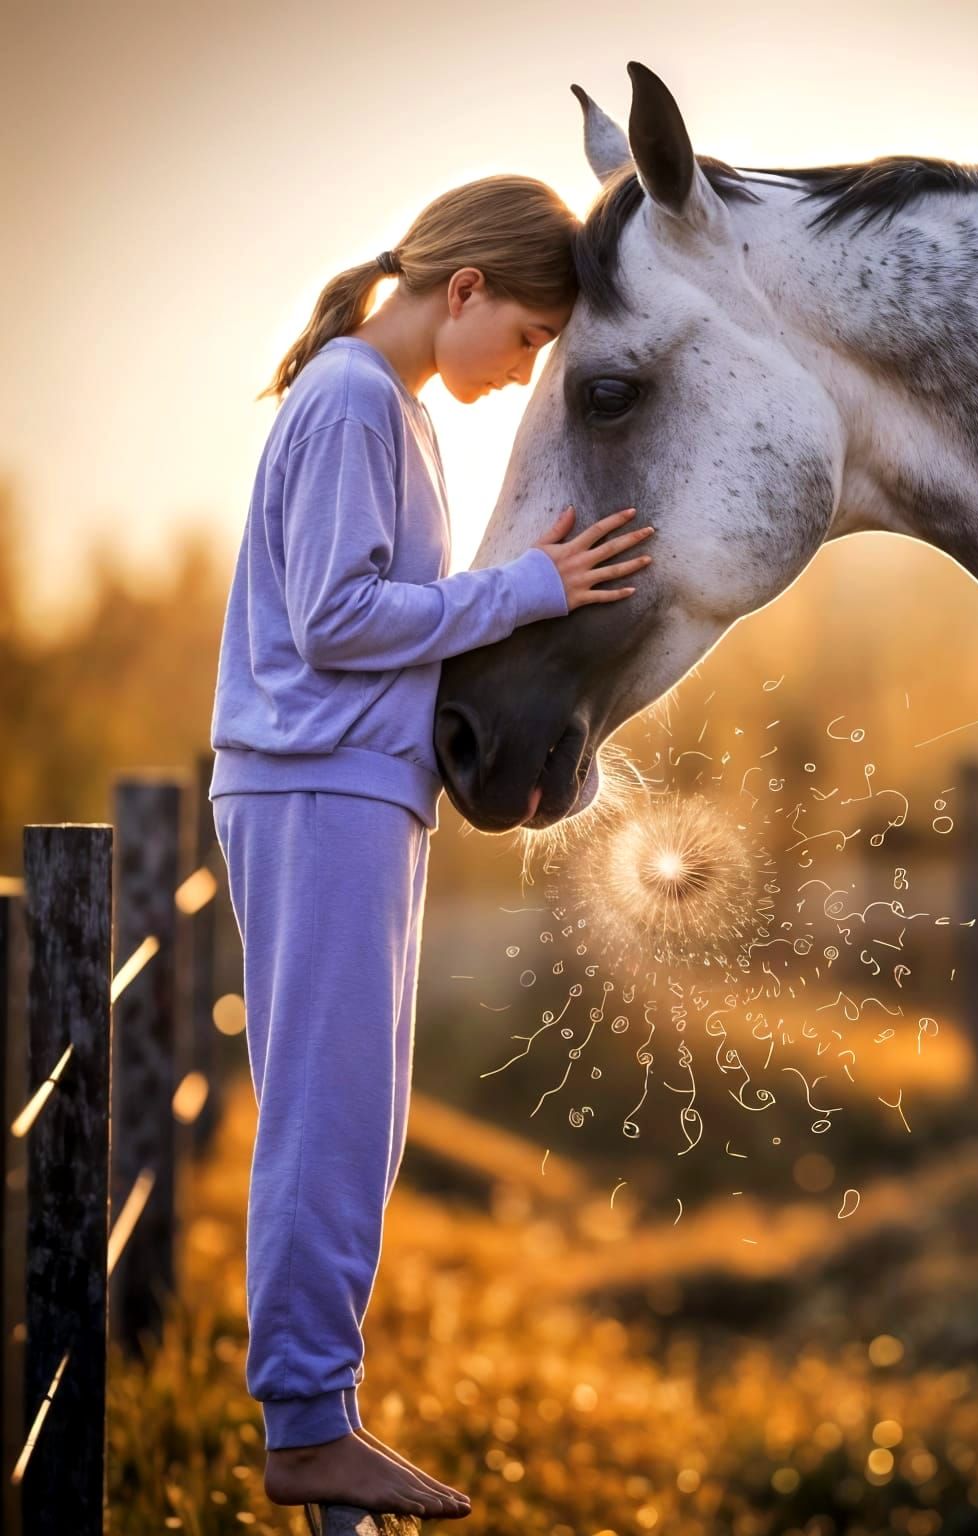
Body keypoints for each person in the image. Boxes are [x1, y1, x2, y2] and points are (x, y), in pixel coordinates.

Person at [207, 173, 654, 1519]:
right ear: (464, 290)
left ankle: (317, 1411)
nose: (524, 373)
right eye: (525, 339)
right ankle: (303, 1421)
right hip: (316, 787)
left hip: (345, 789)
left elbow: (372, 615)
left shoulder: (380, 408)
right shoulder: (353, 401)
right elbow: (339, 617)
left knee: (356, 1112)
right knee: (329, 1114)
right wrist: (532, 586)